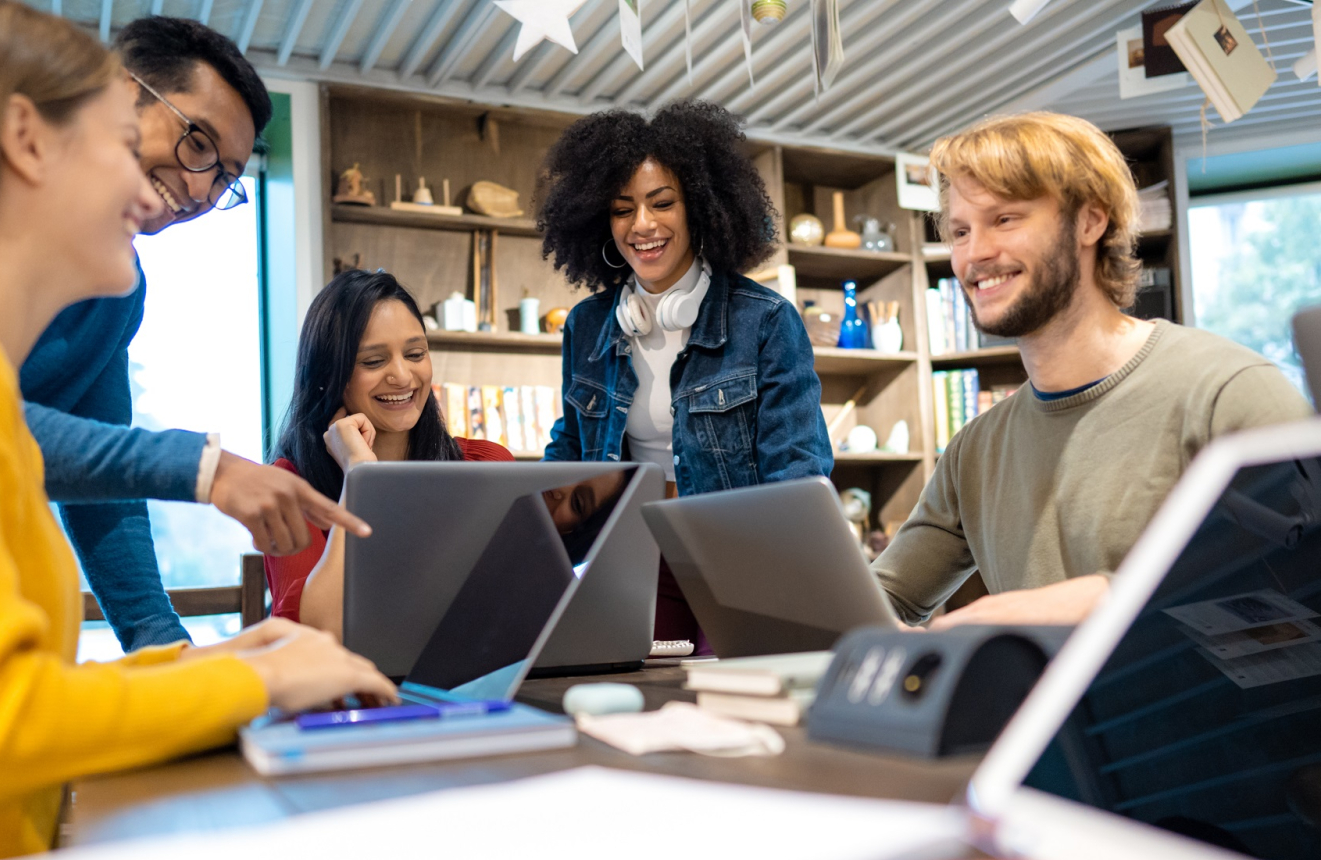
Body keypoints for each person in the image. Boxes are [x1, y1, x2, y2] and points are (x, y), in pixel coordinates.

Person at [0, 3, 395, 855]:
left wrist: (203, 664)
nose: (168, 194)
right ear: (27, 140)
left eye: (224, 178)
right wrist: (249, 683)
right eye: (125, 150)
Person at [873, 111, 1314, 630]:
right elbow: (872, 603)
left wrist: (1104, 600)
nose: (976, 254)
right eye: (960, 231)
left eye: (1005, 219)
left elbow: (1304, 581)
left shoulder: (1227, 391)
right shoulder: (974, 453)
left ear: (1090, 221)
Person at [20, 16, 366, 653]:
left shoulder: (119, 290)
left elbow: (104, 491)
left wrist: (165, 647)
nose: (202, 189)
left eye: (227, 176)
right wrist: (203, 469)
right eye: (198, 142)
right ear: (121, 96)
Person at [537, 100, 832, 644]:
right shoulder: (587, 326)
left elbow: (798, 471)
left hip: (737, 559)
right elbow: (573, 447)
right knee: (645, 697)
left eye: (662, 203)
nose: (642, 225)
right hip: (634, 554)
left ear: (699, 205)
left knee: (733, 699)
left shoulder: (764, 320)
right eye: (623, 209)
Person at [264, 269, 513, 632]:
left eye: (415, 354)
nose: (402, 376)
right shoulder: (288, 488)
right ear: (327, 375)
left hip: (458, 683)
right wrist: (360, 475)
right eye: (373, 361)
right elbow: (318, 635)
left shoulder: (485, 465)